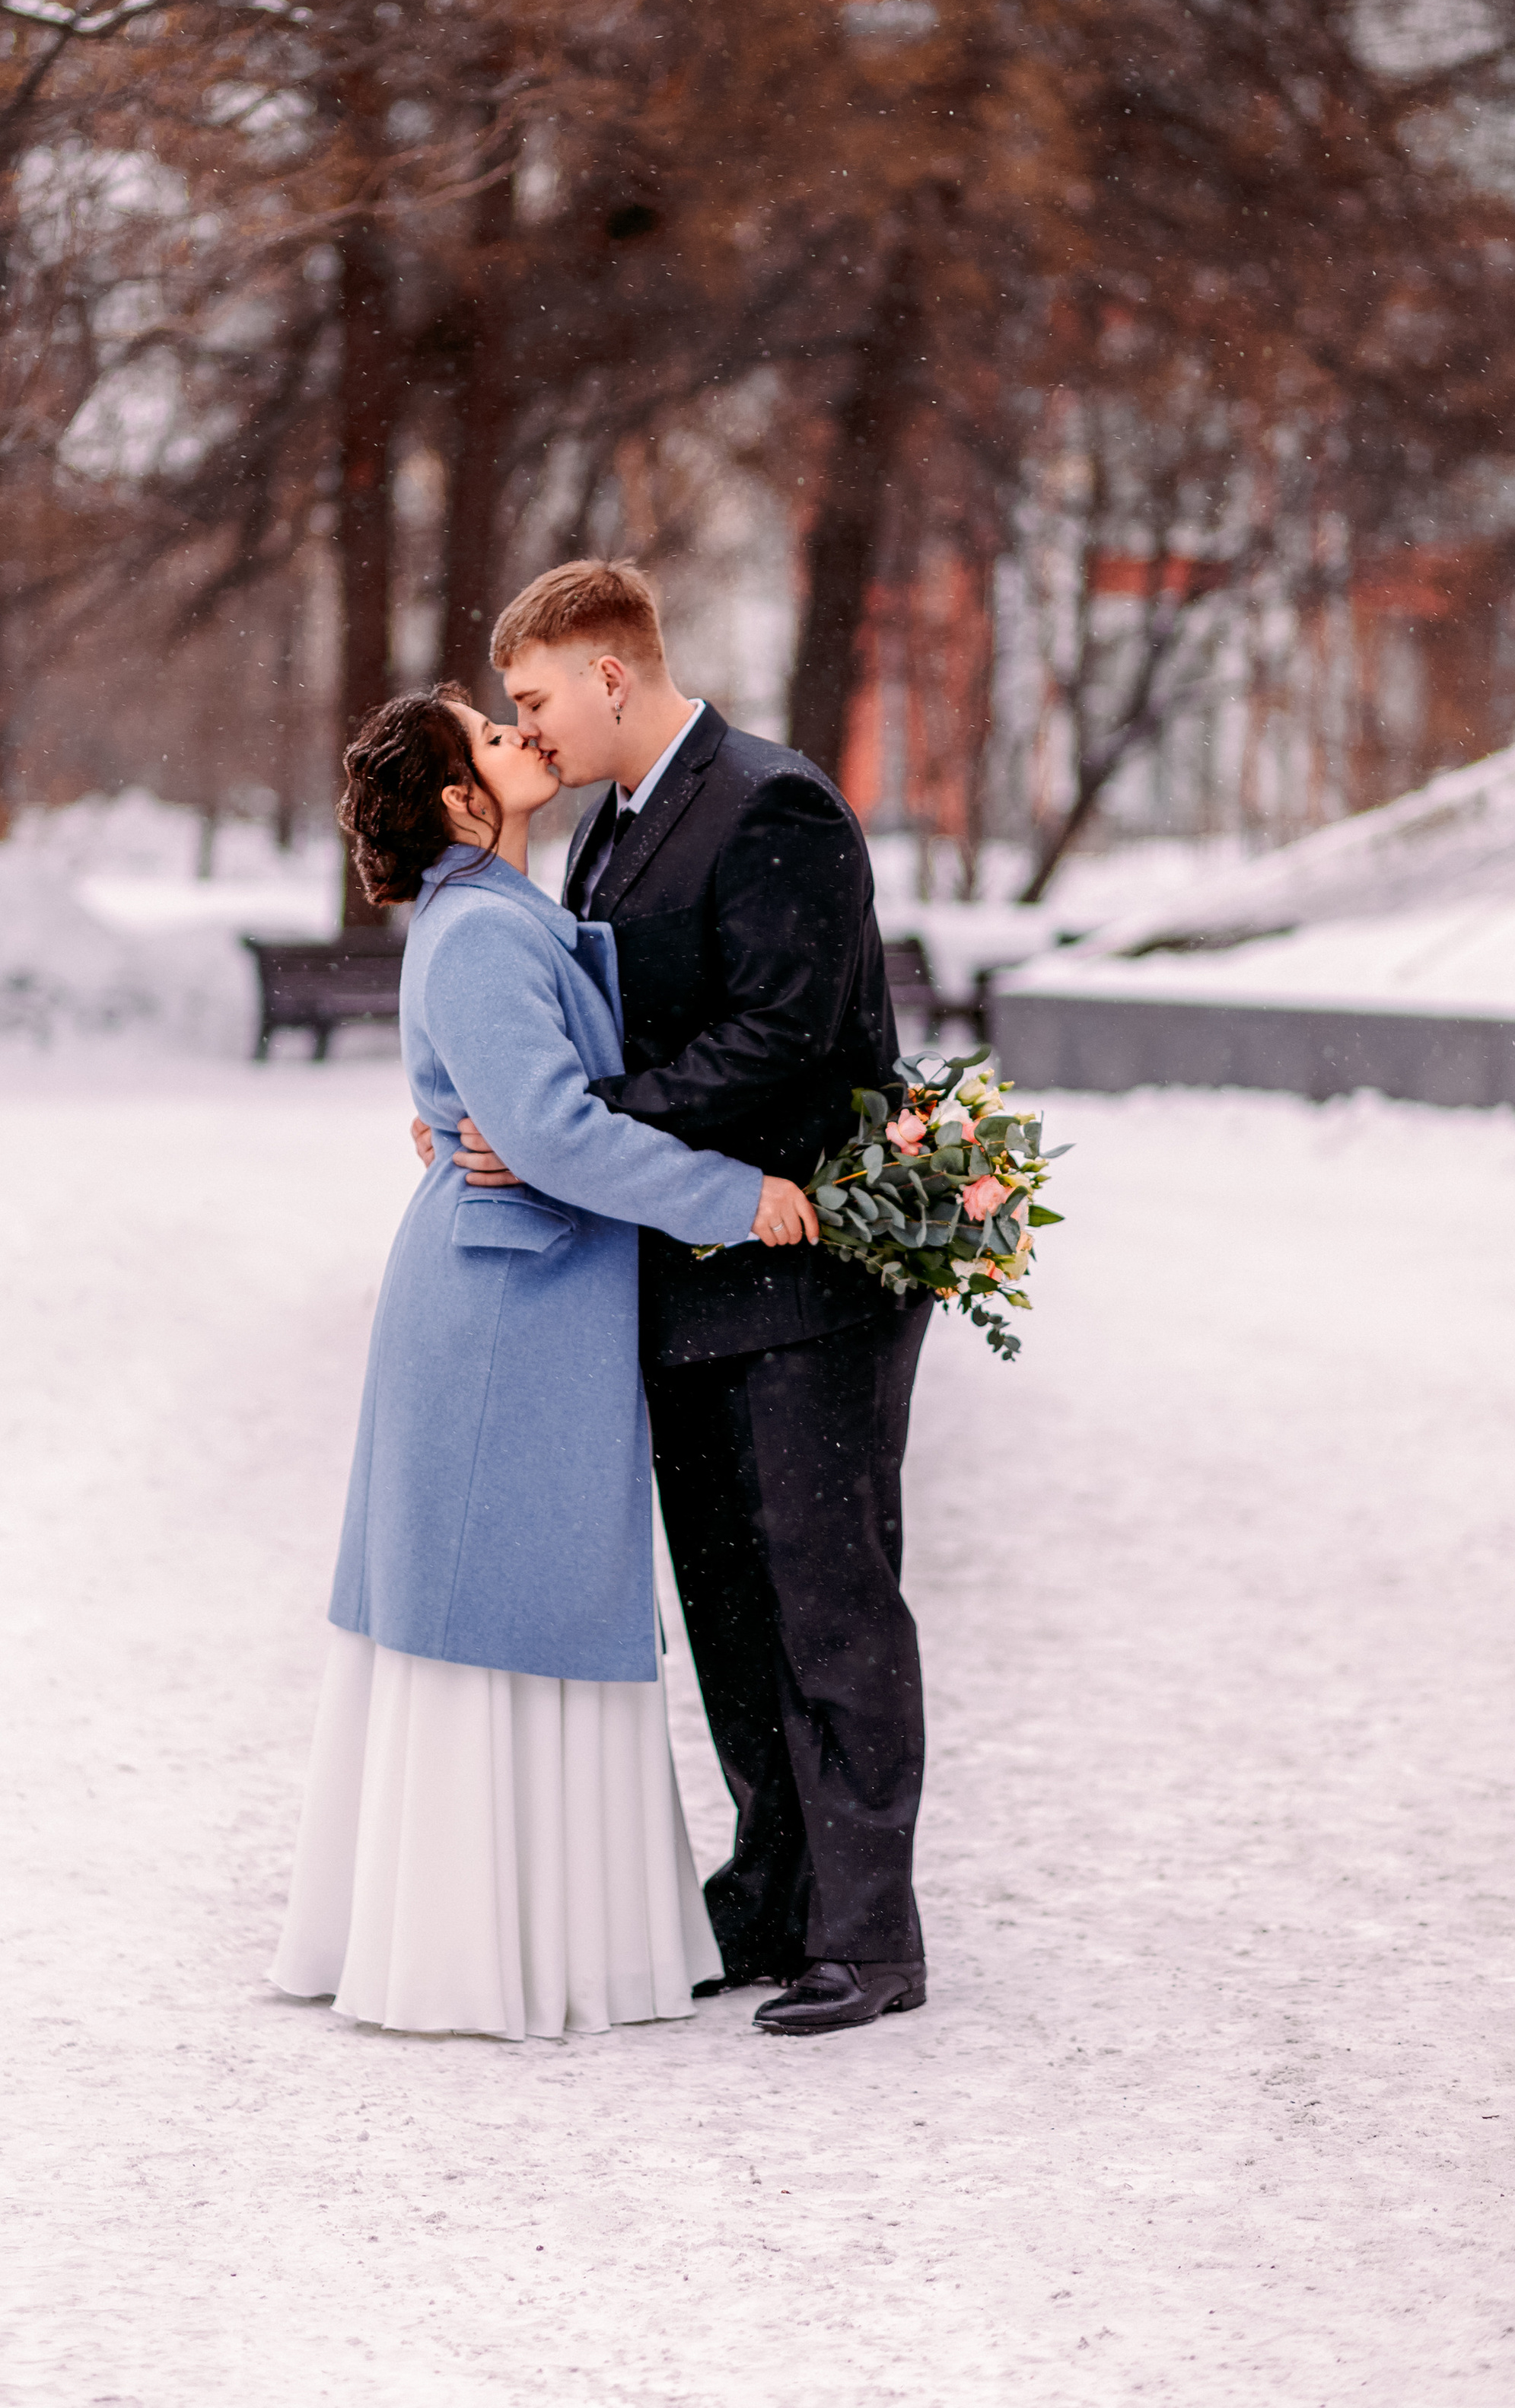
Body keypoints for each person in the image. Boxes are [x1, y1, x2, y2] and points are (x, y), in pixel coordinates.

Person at [269, 684, 821, 2041]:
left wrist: (464, 1105)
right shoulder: (476, 932)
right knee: (499, 1612)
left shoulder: (498, 912)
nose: (525, 739)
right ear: (463, 801)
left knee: (529, 1609)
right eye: (493, 735)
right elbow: (558, 1136)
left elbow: (528, 1098)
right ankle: (474, 1948)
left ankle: (528, 1932)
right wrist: (733, 1194)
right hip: (505, 1307)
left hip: (529, 1291)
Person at [431, 560, 931, 2037]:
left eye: (532, 701)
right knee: (725, 1607)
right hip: (685, 1285)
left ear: (610, 672)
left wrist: (578, 1119)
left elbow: (780, 1044)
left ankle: (871, 1934)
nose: (526, 733)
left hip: (805, 1283)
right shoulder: (607, 834)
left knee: (827, 1606)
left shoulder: (771, 804)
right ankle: (770, 1894)